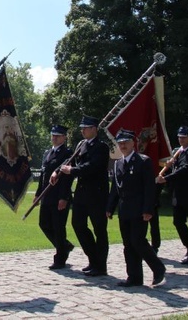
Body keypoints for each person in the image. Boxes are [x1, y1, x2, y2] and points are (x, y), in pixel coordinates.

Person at [107, 129, 166, 288]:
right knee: (128, 245)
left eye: (126, 142)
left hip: (139, 210)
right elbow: (115, 188)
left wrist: (148, 210)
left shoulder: (143, 161)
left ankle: (158, 268)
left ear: (134, 143)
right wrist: (110, 207)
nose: (123, 145)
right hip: (124, 210)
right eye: (120, 143)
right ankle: (134, 277)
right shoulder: (118, 163)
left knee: (138, 241)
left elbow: (149, 188)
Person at [58, 115, 109, 276]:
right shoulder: (81, 145)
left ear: (94, 128)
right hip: (81, 193)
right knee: (78, 225)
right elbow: (71, 161)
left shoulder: (101, 147)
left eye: (85, 128)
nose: (82, 130)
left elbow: (91, 166)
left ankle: (100, 265)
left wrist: (72, 171)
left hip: (97, 194)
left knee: (99, 230)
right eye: (82, 128)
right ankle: (93, 258)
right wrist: (58, 170)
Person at [156, 126, 188, 265]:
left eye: (184, 137)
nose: (181, 139)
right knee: (178, 222)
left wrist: (167, 178)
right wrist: (169, 165)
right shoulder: (177, 153)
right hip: (178, 195)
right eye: (179, 137)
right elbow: (176, 168)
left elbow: (186, 170)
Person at [36, 125, 75, 270]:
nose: (54, 138)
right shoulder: (47, 153)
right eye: (53, 135)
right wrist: (38, 194)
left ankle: (60, 258)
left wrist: (64, 197)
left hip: (59, 196)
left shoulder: (68, 153)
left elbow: (67, 178)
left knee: (58, 227)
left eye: (58, 136)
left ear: (64, 137)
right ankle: (64, 246)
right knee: (44, 224)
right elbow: (43, 174)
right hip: (47, 196)